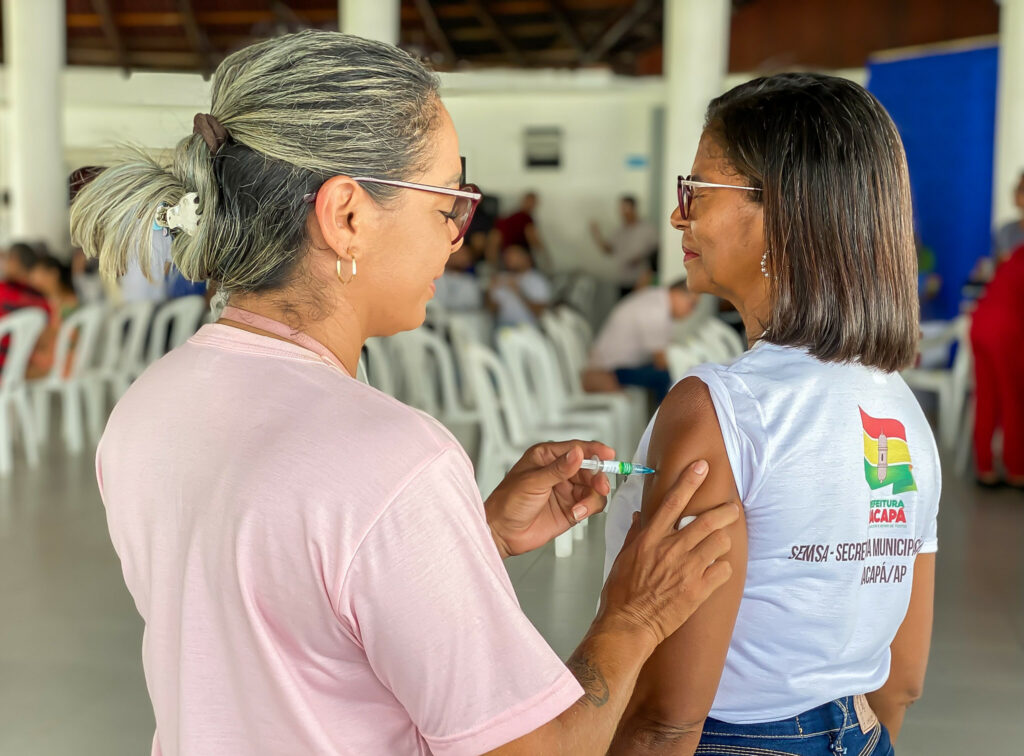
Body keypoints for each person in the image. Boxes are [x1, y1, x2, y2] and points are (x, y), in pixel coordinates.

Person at [70, 31, 740, 755]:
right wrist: (634, 614)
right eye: (448, 202)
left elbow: (285, 622)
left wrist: (468, 540)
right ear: (347, 215)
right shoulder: (390, 460)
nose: (456, 237)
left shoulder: (150, 404)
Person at [606, 74, 940, 756]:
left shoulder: (718, 410)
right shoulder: (899, 408)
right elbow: (902, 680)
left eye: (696, 191)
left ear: (780, 210)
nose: (679, 216)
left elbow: (667, 718)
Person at [582, 278, 699, 403]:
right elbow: (661, 361)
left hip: (619, 364)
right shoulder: (655, 309)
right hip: (609, 369)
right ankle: (667, 421)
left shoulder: (657, 301)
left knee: (674, 372)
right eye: (692, 305)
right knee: (667, 377)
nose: (691, 312)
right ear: (677, 294)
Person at [970, 242, 1024, 488]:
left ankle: (985, 470)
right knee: (1014, 400)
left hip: (981, 324)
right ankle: (1016, 470)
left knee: (986, 399)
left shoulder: (1014, 254)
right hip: (1005, 330)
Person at [591, 195, 660, 297]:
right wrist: (596, 234)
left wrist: (641, 258)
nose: (622, 212)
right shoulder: (619, 231)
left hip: (642, 282)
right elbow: (608, 250)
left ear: (634, 208)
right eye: (621, 208)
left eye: (625, 208)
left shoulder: (648, 229)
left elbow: (657, 252)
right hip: (623, 281)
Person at [0, 243, 51, 376]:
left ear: (14, 260)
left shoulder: (3, 291)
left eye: (5, 259)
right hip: (20, 369)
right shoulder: (43, 302)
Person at [26, 255, 80, 379]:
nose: (32, 279)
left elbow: (59, 337)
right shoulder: (56, 302)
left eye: (36, 273)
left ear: (53, 274)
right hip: (66, 358)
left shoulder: (66, 305)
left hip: (62, 361)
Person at [487, 244, 552, 327]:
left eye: (514, 256)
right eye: (507, 257)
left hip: (529, 328)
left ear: (526, 258)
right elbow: (491, 310)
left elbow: (541, 312)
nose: (510, 259)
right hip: (504, 328)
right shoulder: (502, 278)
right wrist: (489, 290)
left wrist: (518, 291)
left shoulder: (537, 279)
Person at [433, 243, 483, 311]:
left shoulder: (471, 282)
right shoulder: (436, 277)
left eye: (464, 254)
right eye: (457, 253)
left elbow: (474, 307)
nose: (461, 257)